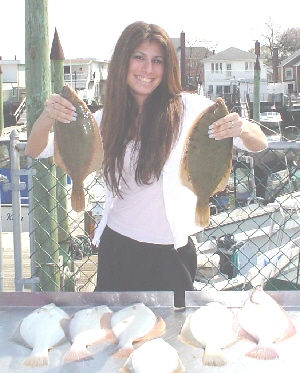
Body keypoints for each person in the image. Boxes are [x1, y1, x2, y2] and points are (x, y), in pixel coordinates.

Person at [25, 21, 268, 307]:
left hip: (173, 253)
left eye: (157, 61)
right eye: (139, 57)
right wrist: (47, 117)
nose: (147, 69)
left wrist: (240, 127)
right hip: (119, 248)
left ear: (167, 69)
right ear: (123, 61)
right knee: (115, 340)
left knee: (174, 337)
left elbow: (258, 142)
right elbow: (35, 149)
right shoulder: (104, 120)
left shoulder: (191, 109)